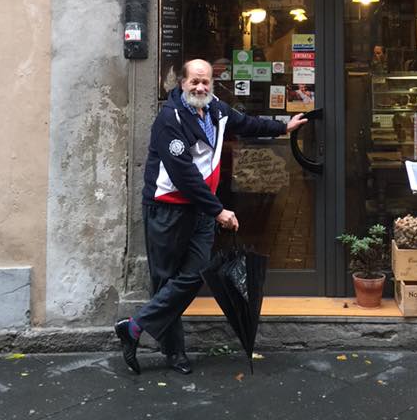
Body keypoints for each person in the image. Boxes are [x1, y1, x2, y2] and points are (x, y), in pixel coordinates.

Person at [115, 58, 307, 374]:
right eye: (195, 82)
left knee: (196, 272)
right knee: (166, 280)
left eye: (205, 82)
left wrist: (282, 126)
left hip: (200, 211)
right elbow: (184, 176)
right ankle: (174, 353)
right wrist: (218, 210)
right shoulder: (169, 120)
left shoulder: (215, 109)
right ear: (182, 84)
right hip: (168, 210)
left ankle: (135, 327)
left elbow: (244, 122)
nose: (201, 87)